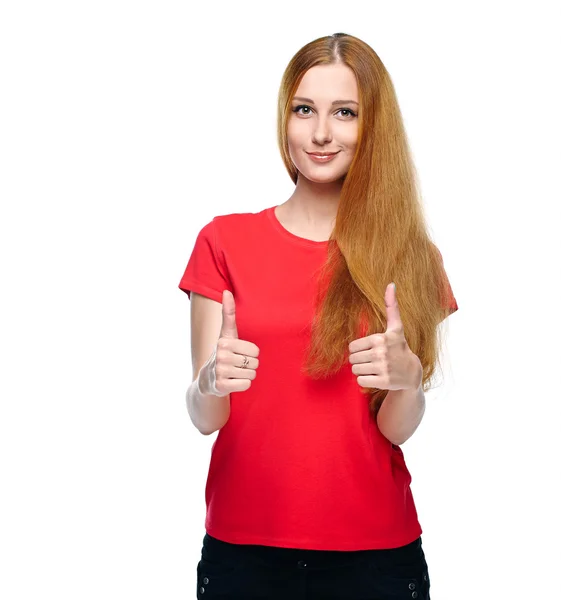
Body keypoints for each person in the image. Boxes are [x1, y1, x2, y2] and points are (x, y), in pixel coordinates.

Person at [178, 32, 458, 600]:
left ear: (372, 127)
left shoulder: (413, 257)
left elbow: (395, 428)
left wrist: (408, 383)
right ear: (286, 118)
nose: (322, 133)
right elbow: (204, 416)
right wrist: (210, 381)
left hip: (376, 558)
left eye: (345, 113)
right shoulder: (224, 241)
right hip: (244, 555)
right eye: (305, 110)